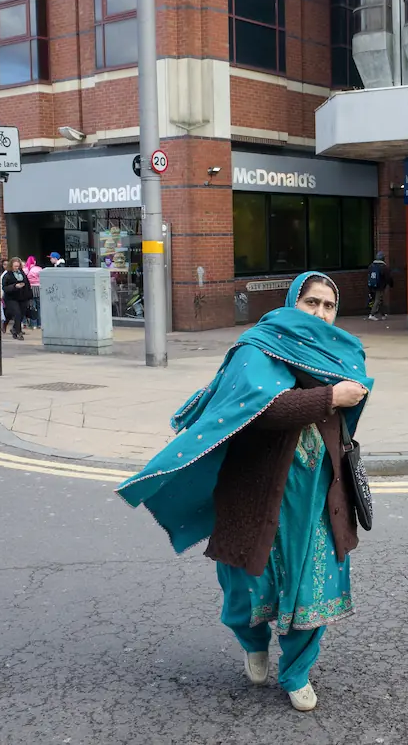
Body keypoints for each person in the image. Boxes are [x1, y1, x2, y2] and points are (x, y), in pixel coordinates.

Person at [115, 271, 373, 713]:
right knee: (246, 587)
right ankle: (253, 643)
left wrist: (343, 399)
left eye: (329, 306)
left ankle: (296, 671)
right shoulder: (257, 347)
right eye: (312, 303)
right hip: (256, 490)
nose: (321, 313)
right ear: (293, 302)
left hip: (317, 494)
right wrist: (330, 397)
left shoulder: (337, 350)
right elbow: (261, 408)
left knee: (314, 583)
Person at [2, 257, 34, 340]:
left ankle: (14, 329)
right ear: (11, 266)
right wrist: (15, 286)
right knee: (17, 313)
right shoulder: (7, 275)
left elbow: (27, 285)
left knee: (21, 314)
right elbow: (5, 288)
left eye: (18, 266)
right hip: (11, 298)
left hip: (22, 297)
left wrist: (30, 296)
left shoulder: (22, 273)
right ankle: (18, 332)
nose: (17, 268)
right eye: (15, 266)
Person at [366, 252, 393, 321]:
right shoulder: (384, 267)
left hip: (372, 286)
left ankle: (383, 314)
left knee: (379, 299)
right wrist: (391, 284)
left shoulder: (371, 266)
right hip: (380, 286)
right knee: (378, 300)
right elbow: (388, 278)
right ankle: (372, 314)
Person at [24, 256, 42, 329]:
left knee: (32, 307)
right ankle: (40, 324)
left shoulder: (25, 270)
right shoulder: (38, 269)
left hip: (30, 289)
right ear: (34, 262)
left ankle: (33, 324)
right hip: (38, 288)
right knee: (39, 307)